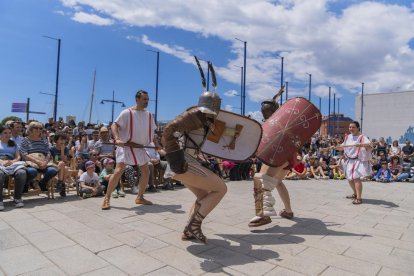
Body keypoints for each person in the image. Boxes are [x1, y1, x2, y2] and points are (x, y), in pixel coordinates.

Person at [162, 85, 227, 244]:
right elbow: (168, 131)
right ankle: (195, 225)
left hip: (185, 162)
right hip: (184, 162)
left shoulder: (204, 119)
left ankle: (188, 230)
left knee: (203, 196)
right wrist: (173, 153)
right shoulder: (197, 115)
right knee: (221, 189)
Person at [101, 90, 156, 210]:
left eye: (147, 99)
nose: (146, 101)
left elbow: (152, 134)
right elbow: (114, 125)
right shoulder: (127, 112)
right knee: (118, 171)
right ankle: (107, 198)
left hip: (140, 147)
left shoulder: (149, 115)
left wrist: (159, 147)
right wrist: (117, 138)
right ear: (137, 99)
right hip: (126, 146)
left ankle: (140, 197)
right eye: (144, 99)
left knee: (146, 171)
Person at [337, 121, 372, 205]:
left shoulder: (362, 137)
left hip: (358, 160)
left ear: (358, 128)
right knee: (349, 179)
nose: (351, 129)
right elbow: (342, 147)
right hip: (349, 160)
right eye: (350, 127)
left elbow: (370, 146)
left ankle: (359, 198)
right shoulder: (348, 137)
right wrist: (335, 147)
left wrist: (362, 145)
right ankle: (355, 194)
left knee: (356, 178)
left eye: (353, 127)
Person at [20, 122, 59, 193]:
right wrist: (37, 162)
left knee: (53, 170)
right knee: (32, 172)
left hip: (43, 161)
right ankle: (26, 184)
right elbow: (24, 154)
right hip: (31, 161)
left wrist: (45, 162)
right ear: (30, 129)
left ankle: (42, 183)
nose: (39, 130)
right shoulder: (25, 140)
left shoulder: (44, 140)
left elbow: (48, 153)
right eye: (36, 128)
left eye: (40, 128)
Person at [0, 125, 26, 210]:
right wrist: (2, 162)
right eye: (5, 133)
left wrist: (11, 162)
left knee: (21, 173)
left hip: (12, 162)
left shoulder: (13, 144)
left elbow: (18, 157)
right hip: (1, 162)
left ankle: (17, 198)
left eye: (9, 133)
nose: (8, 135)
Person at [50, 132, 70, 197]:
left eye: (64, 139)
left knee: (66, 168)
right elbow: (53, 161)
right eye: (61, 139)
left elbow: (65, 160)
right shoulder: (52, 149)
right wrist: (60, 162)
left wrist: (62, 150)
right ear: (56, 140)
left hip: (63, 166)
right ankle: (62, 185)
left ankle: (60, 184)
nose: (63, 141)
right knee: (61, 164)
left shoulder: (66, 149)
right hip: (54, 165)